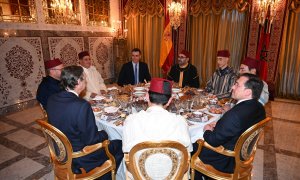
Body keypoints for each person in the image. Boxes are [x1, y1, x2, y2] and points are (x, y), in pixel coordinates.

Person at [47, 66, 123, 179]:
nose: (86, 81)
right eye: (84, 79)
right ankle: (104, 175)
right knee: (120, 144)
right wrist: (105, 133)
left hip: (60, 152)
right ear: (78, 81)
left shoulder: (52, 99)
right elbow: (91, 140)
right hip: (80, 157)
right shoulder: (82, 106)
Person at [193, 73, 266, 178]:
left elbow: (213, 140)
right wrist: (220, 125)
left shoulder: (235, 114)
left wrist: (207, 130)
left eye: (237, 85)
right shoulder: (259, 107)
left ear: (247, 92)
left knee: (191, 146)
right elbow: (238, 127)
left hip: (225, 160)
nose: (232, 87)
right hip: (242, 154)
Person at [123, 78, 192, 153]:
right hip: (172, 164)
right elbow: (188, 151)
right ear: (169, 101)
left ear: (147, 97)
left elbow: (125, 150)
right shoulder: (180, 122)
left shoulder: (131, 121)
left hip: (137, 164)